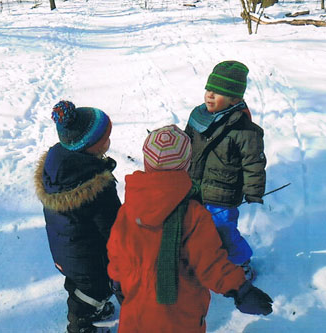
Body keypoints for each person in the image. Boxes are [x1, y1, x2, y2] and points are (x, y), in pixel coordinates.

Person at [106, 125, 272, 332]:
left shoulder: (129, 209)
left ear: (147, 162)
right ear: (186, 165)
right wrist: (241, 289)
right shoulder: (193, 215)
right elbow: (210, 265)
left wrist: (116, 279)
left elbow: (116, 251)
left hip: (136, 312)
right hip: (180, 316)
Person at [34, 100, 121, 333]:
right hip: (88, 256)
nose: (109, 142)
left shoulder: (59, 165)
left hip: (67, 251)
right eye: (105, 139)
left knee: (79, 283)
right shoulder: (95, 186)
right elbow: (112, 227)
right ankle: (81, 324)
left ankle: (91, 307)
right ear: (89, 145)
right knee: (96, 289)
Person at [184, 60, 266, 280]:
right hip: (194, 186)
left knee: (224, 231)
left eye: (218, 93)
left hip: (224, 194)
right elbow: (185, 145)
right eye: (209, 89)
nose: (209, 95)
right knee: (194, 227)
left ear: (235, 99)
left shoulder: (245, 130)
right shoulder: (198, 117)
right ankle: (203, 258)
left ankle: (241, 262)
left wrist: (254, 191)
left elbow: (254, 164)